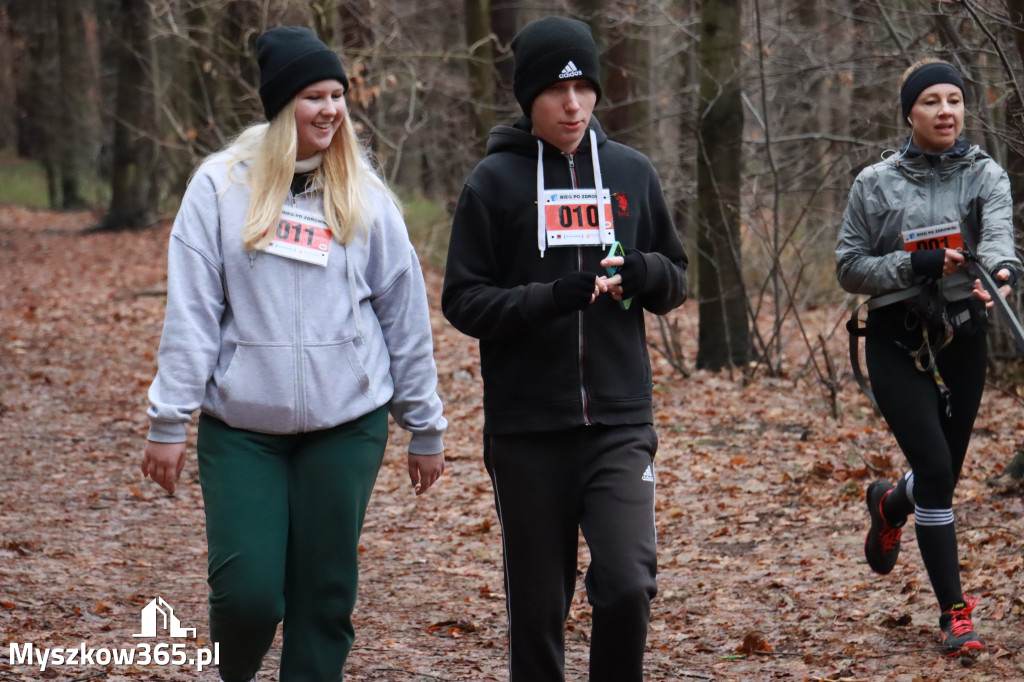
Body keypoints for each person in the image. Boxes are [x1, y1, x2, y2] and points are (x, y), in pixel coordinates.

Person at [140, 25, 446, 682]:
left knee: (325, 597)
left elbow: (404, 314)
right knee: (249, 597)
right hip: (243, 428)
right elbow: (192, 314)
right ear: (282, 107)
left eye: (338, 94)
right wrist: (169, 420)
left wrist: (426, 424)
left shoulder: (364, 196)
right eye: (314, 96)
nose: (332, 109)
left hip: (347, 424)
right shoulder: (220, 189)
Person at [441, 15, 688, 682]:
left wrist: (648, 273)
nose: (572, 104)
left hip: (619, 422)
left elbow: (676, 276)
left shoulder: (631, 171)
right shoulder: (494, 183)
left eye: (583, 88)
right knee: (539, 611)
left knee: (629, 582)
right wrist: (550, 296)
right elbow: (463, 301)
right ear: (529, 99)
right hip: (528, 429)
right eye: (555, 90)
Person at [836, 58, 1020, 656]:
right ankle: (955, 614)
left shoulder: (986, 173)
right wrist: (911, 265)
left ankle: (890, 504)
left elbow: (998, 233)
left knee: (940, 473)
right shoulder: (875, 182)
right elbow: (848, 266)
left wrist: (1000, 271)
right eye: (931, 102)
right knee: (938, 474)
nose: (945, 111)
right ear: (909, 113)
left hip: (964, 333)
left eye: (954, 100)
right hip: (894, 338)